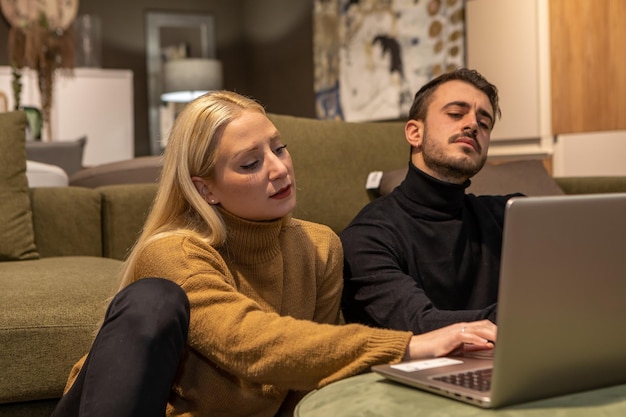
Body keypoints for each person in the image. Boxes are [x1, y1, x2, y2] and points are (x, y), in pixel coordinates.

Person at [51, 90, 496, 417]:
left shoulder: (320, 246)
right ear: (206, 188)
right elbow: (251, 342)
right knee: (154, 298)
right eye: (250, 163)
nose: (279, 168)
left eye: (279, 148)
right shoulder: (176, 251)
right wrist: (410, 345)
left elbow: (303, 382)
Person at [341, 68, 523, 335]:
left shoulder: (512, 216)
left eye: (484, 124)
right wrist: (531, 317)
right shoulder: (368, 237)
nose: (472, 125)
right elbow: (420, 325)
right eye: (455, 114)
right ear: (415, 133)